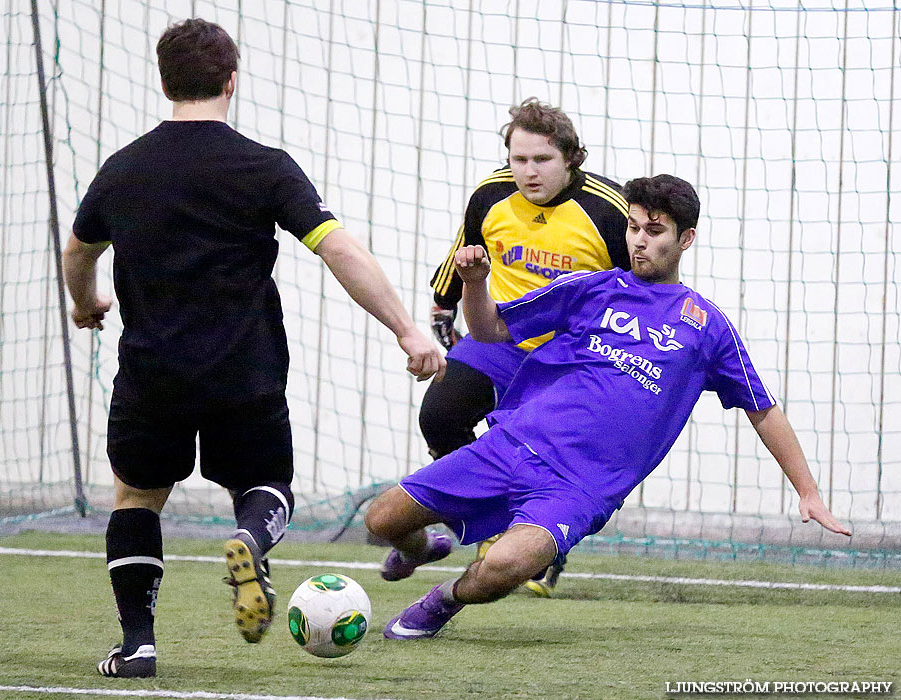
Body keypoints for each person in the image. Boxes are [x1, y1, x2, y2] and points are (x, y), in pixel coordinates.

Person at [63, 18, 443, 678]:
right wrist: (406, 331)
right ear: (231, 80)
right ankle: (249, 538)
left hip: (153, 373)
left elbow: (78, 251)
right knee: (265, 485)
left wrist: (84, 300)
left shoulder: (122, 170)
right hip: (245, 369)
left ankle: (140, 644)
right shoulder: (263, 167)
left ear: (163, 82)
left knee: (136, 497)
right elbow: (339, 250)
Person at [365, 173, 851, 641]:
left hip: (578, 486)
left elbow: (762, 408)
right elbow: (491, 328)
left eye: (654, 231)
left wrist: (807, 492)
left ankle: (444, 600)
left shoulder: (706, 326)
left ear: (686, 239)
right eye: (634, 228)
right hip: (510, 446)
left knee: (505, 567)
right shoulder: (591, 289)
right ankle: (424, 548)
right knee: (381, 520)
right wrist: (475, 283)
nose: (639, 241)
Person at [419, 97, 630, 596]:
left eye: (542, 160)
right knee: (440, 417)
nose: (529, 172)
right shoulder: (491, 195)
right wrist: (443, 305)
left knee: (546, 455)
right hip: (500, 336)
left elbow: (641, 279)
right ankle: (490, 527)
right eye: (520, 159)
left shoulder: (609, 210)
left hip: (569, 356)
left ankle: (544, 543)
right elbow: (467, 250)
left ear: (570, 158)